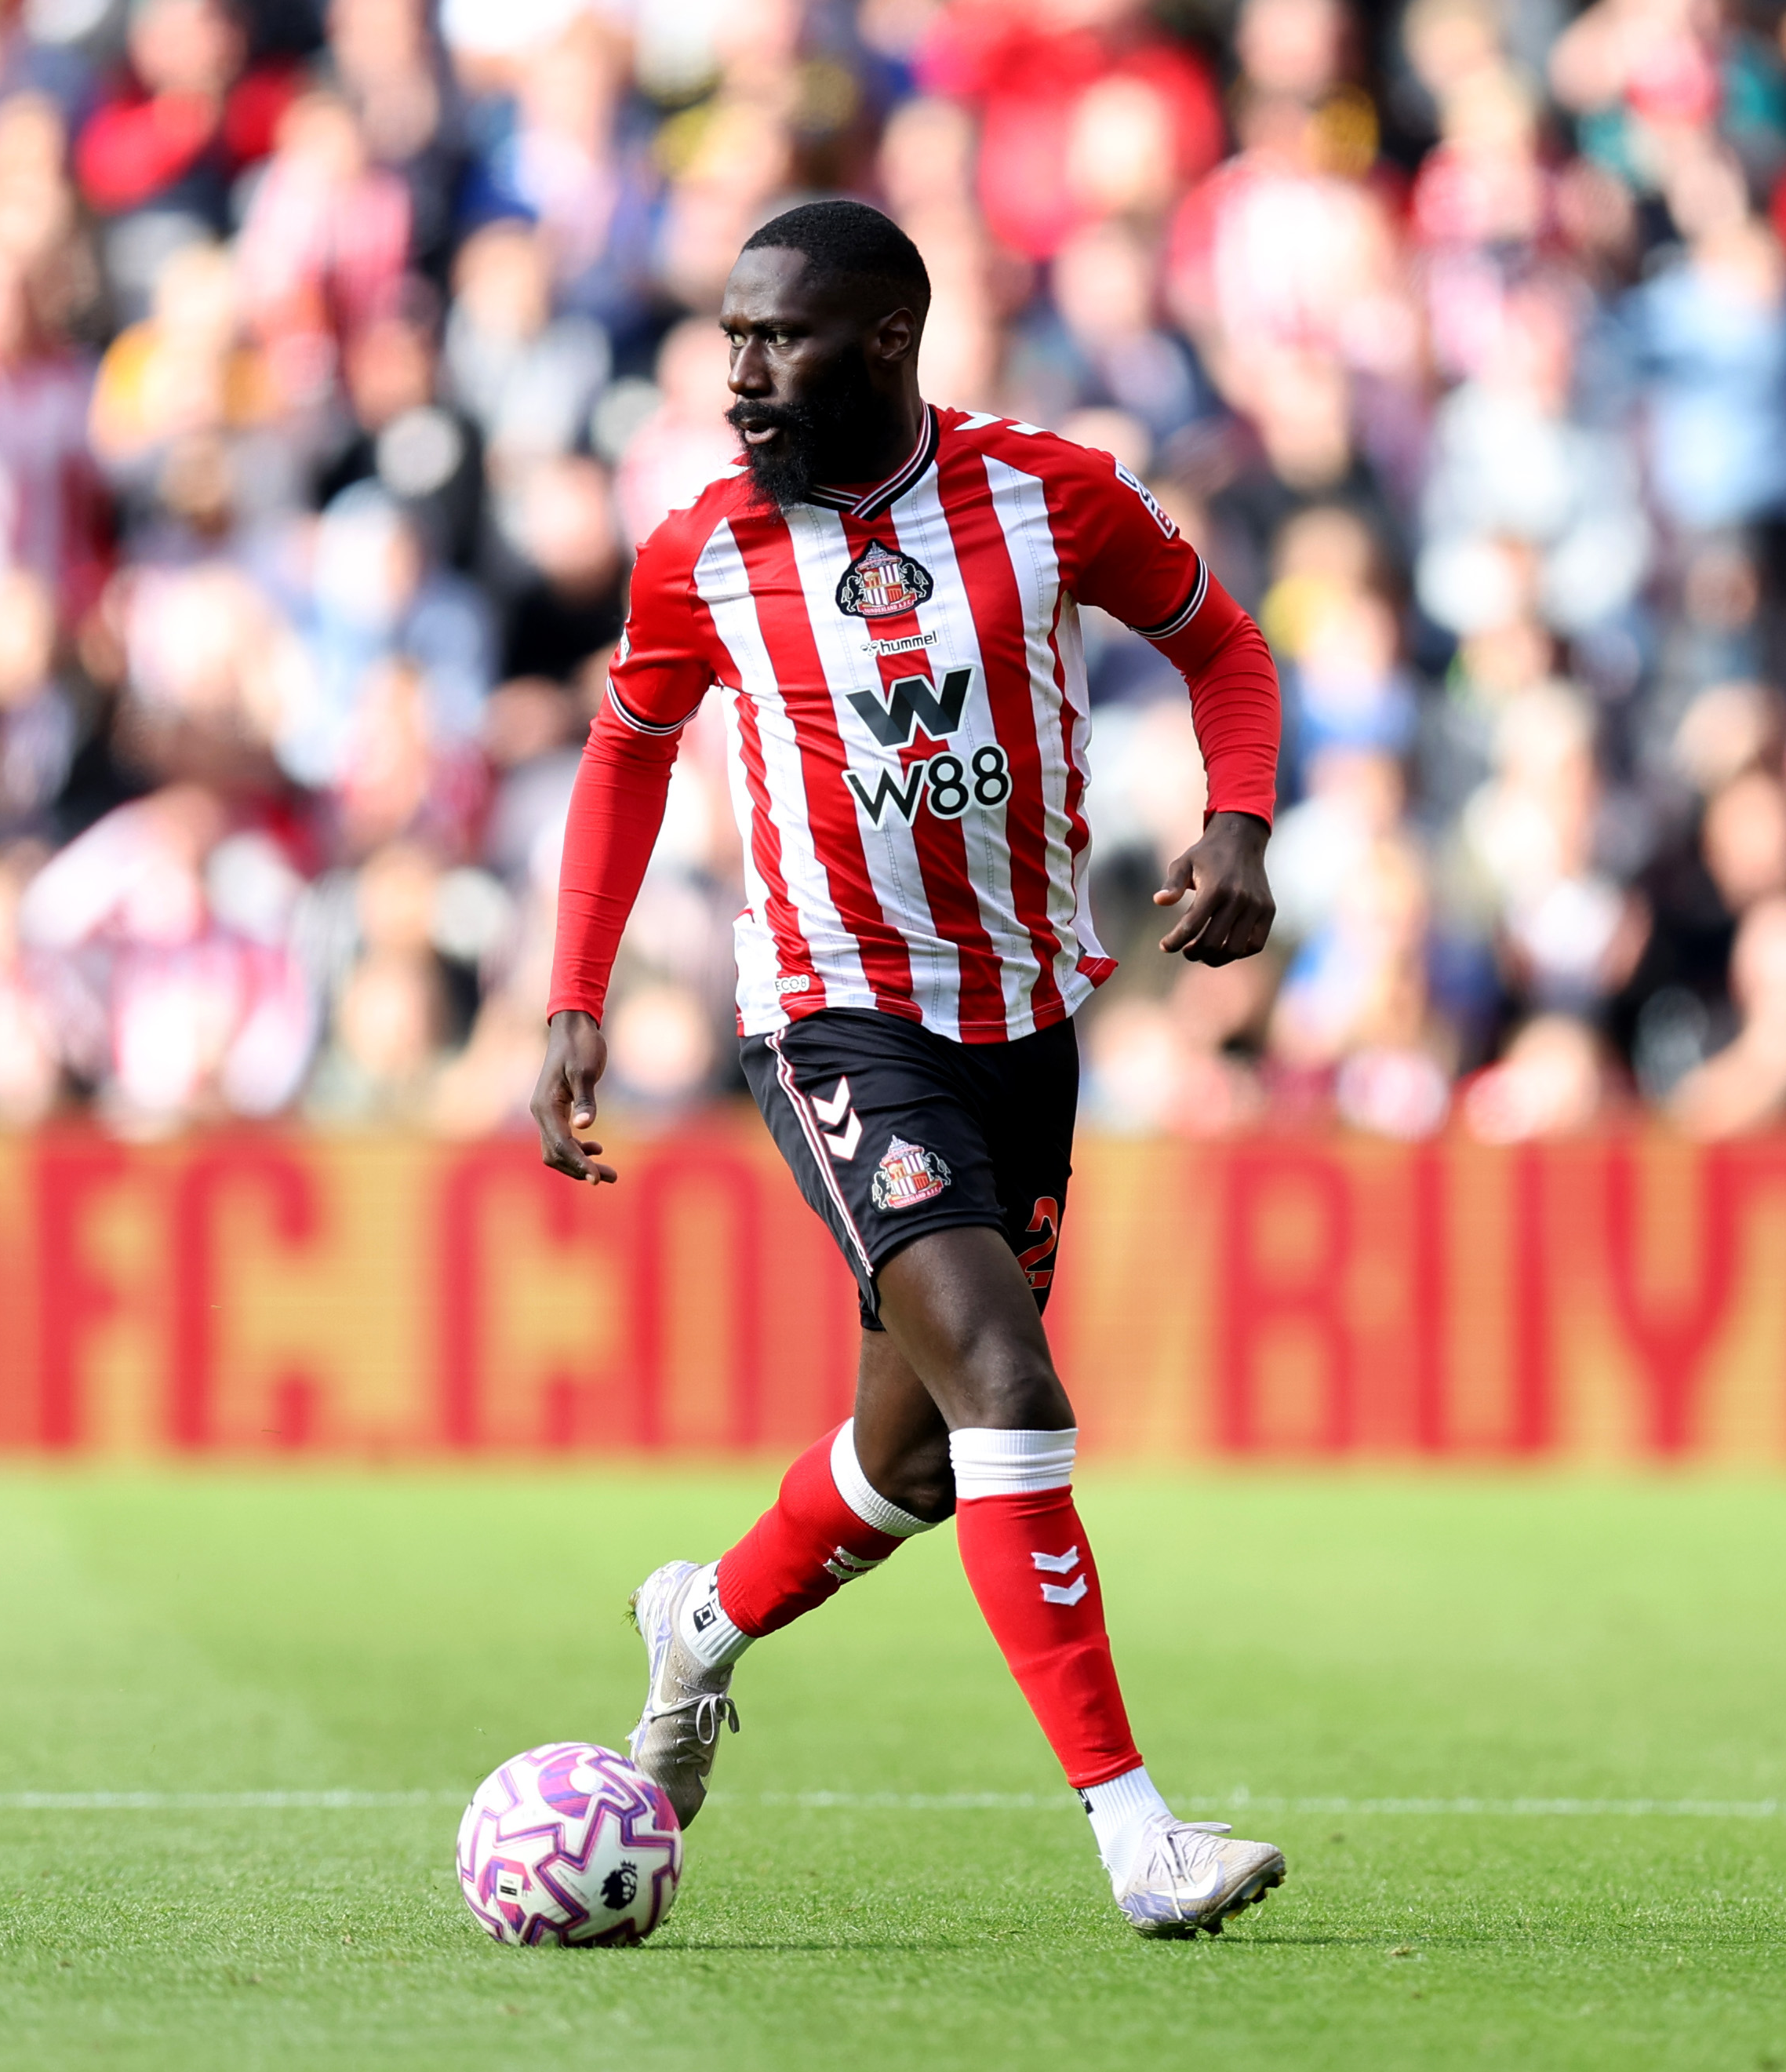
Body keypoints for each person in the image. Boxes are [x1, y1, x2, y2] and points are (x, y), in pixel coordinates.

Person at [529, 201, 1289, 1938]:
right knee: (1012, 1394)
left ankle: (698, 1622)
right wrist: (572, 987)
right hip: (829, 1019)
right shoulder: (698, 554)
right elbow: (626, 750)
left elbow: (1224, 648)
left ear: (884, 340)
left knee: (923, 1456)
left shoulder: (1046, 494)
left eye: (772, 340)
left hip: (1023, 1021)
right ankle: (1134, 1834)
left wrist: (1236, 821)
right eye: (724, 338)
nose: (735, 376)